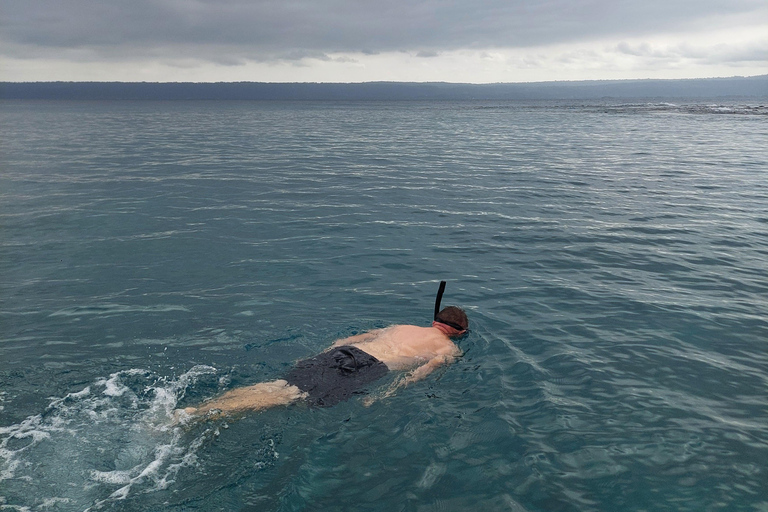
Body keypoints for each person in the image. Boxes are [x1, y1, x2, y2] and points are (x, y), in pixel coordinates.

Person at [178, 283, 468, 419]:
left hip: (345, 351)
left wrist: (317, 355)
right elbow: (420, 373)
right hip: (367, 366)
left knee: (281, 385)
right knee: (292, 397)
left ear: (435, 320)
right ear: (459, 332)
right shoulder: (448, 349)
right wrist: (386, 394)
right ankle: (204, 415)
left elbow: (348, 337)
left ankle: (203, 408)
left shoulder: (398, 326)